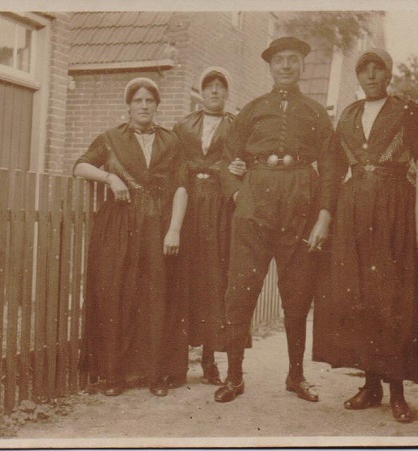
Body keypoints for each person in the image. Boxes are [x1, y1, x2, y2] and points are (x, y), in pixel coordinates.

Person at [312, 48, 418, 423]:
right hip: (353, 212)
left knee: (393, 299)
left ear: (389, 74)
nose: (370, 75)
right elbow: (333, 171)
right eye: (363, 69)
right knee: (360, 296)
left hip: (395, 211)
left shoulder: (408, 111)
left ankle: (397, 391)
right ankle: (371, 386)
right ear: (357, 76)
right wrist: (324, 218)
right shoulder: (348, 115)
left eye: (377, 69)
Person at [213, 36, 338, 403]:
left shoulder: (316, 113)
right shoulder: (252, 110)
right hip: (254, 207)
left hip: (300, 207)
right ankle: (234, 376)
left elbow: (330, 167)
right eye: (279, 60)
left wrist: (324, 215)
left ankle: (295, 376)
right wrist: (239, 195)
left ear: (302, 66)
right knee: (240, 292)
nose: (285, 66)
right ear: (270, 66)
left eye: (292, 59)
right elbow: (227, 160)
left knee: (298, 295)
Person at [75, 78, 188, 397]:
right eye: (138, 100)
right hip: (119, 227)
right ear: (129, 105)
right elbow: (80, 166)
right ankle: (114, 376)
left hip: (159, 226)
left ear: (157, 105)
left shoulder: (171, 141)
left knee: (156, 298)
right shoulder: (111, 138)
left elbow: (182, 186)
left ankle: (157, 375)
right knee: (117, 296)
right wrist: (110, 177)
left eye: (149, 100)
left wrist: (174, 229)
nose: (144, 105)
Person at [166, 67, 242, 388]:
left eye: (219, 86)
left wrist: (241, 166)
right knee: (184, 277)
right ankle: (177, 362)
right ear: (200, 91)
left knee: (215, 279)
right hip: (188, 204)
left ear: (226, 92)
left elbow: (246, 160)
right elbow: (173, 164)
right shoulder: (183, 126)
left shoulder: (237, 126)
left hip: (221, 208)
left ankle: (210, 360)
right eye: (208, 86)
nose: (214, 91)